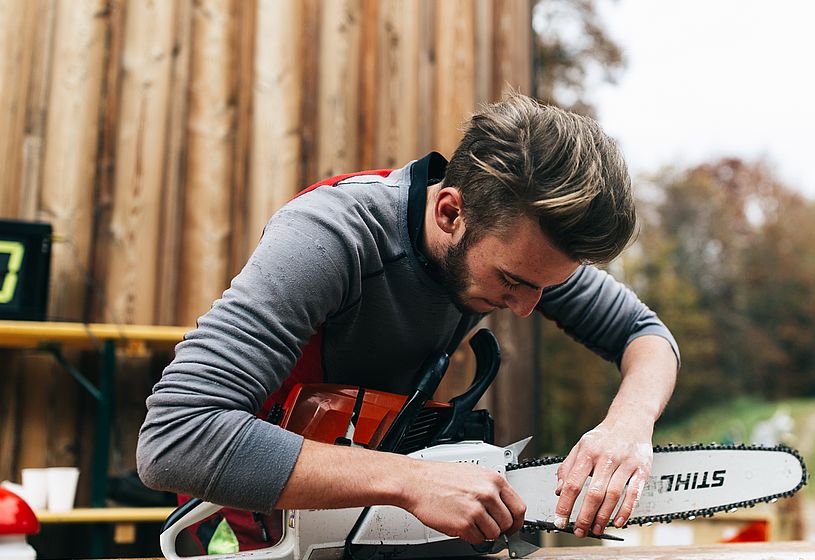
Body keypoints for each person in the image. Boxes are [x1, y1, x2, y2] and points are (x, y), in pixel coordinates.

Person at [137, 92, 680, 550]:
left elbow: (646, 337)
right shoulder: (332, 235)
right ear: (450, 212)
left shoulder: (523, 248)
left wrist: (626, 427)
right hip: (248, 522)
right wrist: (411, 480)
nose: (526, 307)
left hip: (366, 503)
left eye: (547, 287)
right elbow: (176, 437)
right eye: (513, 282)